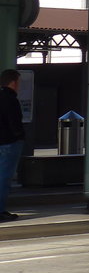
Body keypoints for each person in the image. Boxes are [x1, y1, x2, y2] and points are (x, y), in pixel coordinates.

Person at [0, 68, 25, 222]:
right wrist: (19, 135)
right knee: (4, 177)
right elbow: (15, 122)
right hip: (9, 143)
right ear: (14, 83)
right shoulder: (11, 99)